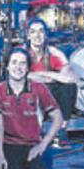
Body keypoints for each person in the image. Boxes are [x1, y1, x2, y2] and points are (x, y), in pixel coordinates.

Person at [25, 19, 78, 149]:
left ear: (46, 35)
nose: (37, 35)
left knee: (69, 87)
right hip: (27, 92)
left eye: (41, 31)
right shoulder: (22, 52)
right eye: (33, 32)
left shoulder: (54, 53)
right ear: (28, 35)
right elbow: (24, 76)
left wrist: (46, 75)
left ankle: (60, 131)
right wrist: (55, 76)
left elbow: (70, 78)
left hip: (48, 91)